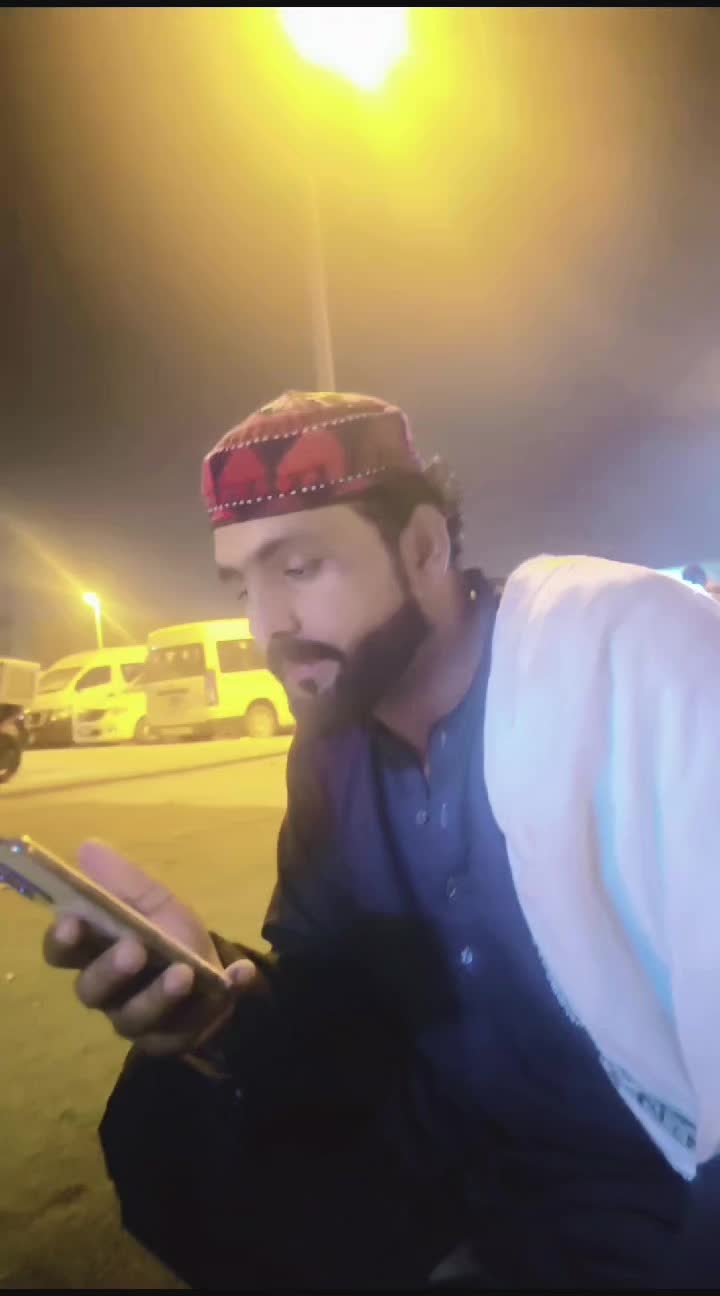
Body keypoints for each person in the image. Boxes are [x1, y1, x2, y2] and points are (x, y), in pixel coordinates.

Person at [44, 391, 720, 1289]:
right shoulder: (330, 753)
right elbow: (330, 1003)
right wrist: (213, 996)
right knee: (166, 1109)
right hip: (458, 1166)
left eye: (300, 567)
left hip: (646, 1187)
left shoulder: (607, 668)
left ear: (425, 547)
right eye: (242, 586)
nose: (267, 626)